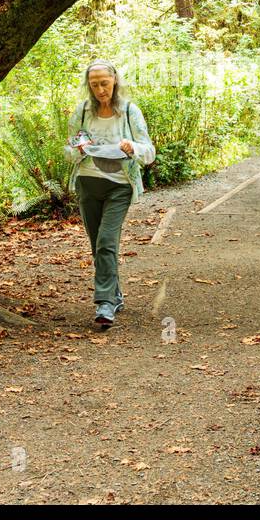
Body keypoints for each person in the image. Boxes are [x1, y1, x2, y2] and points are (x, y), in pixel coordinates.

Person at [63, 60, 156, 329]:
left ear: (115, 81)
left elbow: (148, 152)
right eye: (94, 85)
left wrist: (132, 148)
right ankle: (114, 295)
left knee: (106, 240)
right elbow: (69, 150)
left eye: (104, 83)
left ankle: (104, 302)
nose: (100, 90)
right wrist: (79, 149)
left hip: (119, 185)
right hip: (87, 183)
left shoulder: (129, 111)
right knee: (98, 245)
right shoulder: (82, 112)